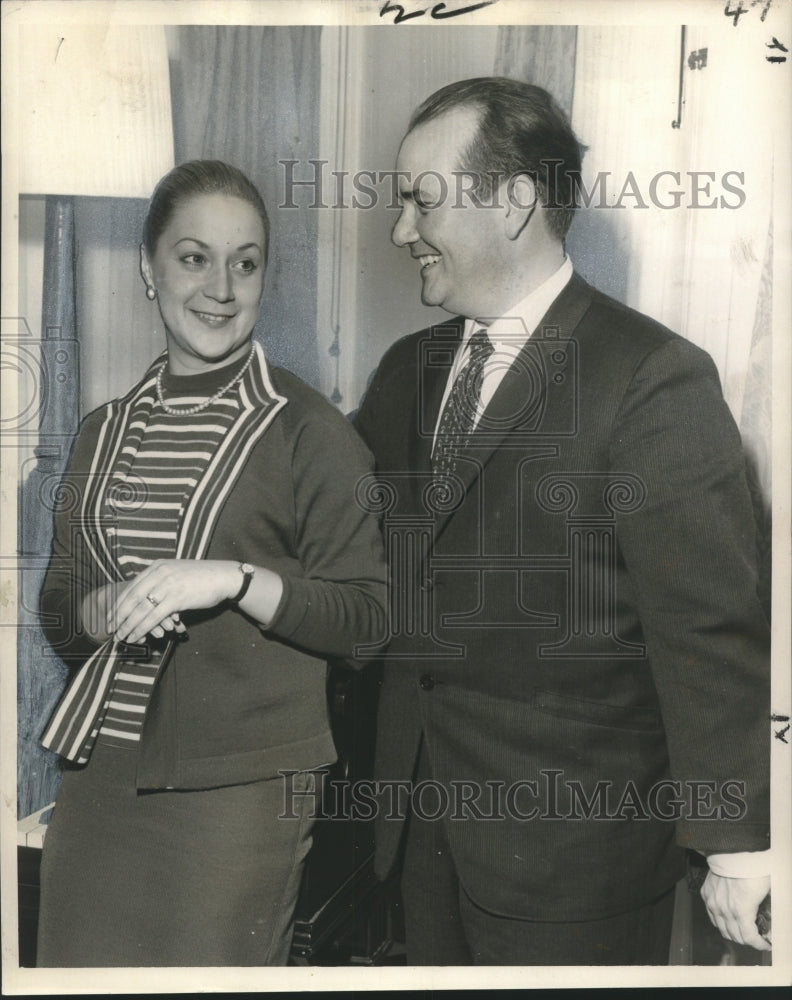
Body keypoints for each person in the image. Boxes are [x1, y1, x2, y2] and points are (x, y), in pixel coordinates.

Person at [354, 78, 771, 965]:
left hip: (575, 865)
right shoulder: (404, 371)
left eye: (422, 202)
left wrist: (736, 846)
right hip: (420, 837)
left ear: (512, 204)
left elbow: (708, 635)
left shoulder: (653, 378)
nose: (399, 233)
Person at [36, 160, 387, 967]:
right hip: (97, 778)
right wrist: (102, 606)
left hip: (237, 799)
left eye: (247, 262)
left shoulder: (309, 432)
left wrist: (234, 579)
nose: (222, 288)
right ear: (148, 269)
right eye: (195, 257)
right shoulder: (102, 429)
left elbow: (369, 622)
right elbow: (60, 606)